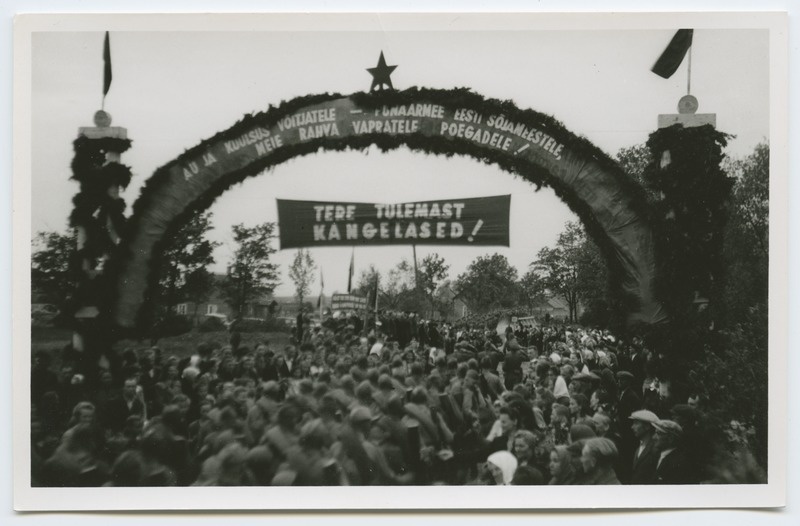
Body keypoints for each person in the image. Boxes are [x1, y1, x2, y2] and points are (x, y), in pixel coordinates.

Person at [653, 419, 692, 484]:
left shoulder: (678, 463)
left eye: (658, 434)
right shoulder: (658, 456)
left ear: (670, 438)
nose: (653, 437)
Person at [629, 409, 659, 484]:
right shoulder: (638, 448)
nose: (632, 427)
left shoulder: (655, 449)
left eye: (636, 423)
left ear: (647, 426)